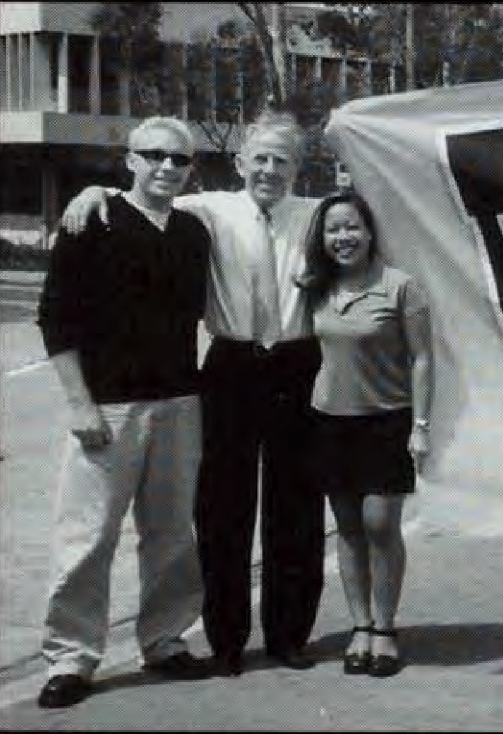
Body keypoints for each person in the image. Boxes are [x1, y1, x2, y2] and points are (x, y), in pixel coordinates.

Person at [61, 111, 326, 676]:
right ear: (239, 163)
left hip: (300, 366)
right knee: (222, 511)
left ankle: (288, 635)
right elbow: (144, 193)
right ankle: (226, 640)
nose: (270, 171)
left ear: (299, 168)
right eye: (260, 158)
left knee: (296, 509)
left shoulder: (319, 216)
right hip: (230, 365)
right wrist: (95, 189)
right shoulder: (205, 210)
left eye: (283, 160)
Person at [35, 116, 213, 708]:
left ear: (191, 170)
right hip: (108, 407)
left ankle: (164, 640)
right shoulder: (92, 220)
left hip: (179, 404)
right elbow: (55, 318)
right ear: (129, 160)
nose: (167, 166)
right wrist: (79, 402)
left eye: (179, 159)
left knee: (170, 535)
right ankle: (71, 657)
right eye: (154, 155)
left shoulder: (193, 230)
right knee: (87, 539)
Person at [295, 192, 432, 677]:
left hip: (386, 421)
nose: (343, 238)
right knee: (349, 530)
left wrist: (420, 426)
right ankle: (360, 626)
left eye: (352, 227)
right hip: (330, 421)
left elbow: (422, 359)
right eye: (333, 230)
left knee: (379, 525)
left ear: (370, 231)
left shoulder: (401, 287)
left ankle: (386, 629)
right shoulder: (316, 287)